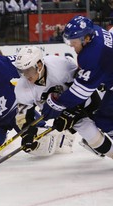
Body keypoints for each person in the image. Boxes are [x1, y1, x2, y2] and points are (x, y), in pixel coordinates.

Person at [41, 15, 113, 159]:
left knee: (105, 120)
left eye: (73, 41)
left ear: (86, 38)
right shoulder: (95, 31)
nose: (71, 45)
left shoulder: (91, 55)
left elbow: (80, 93)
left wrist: (57, 103)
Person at [14, 46, 101, 156]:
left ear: (39, 65)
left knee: (99, 113)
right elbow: (23, 115)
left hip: (75, 99)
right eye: (22, 71)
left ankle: (80, 134)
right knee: (72, 125)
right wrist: (27, 133)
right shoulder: (22, 86)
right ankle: (73, 134)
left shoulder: (61, 66)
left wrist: (76, 113)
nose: (25, 75)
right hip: (56, 108)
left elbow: (85, 89)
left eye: (28, 70)